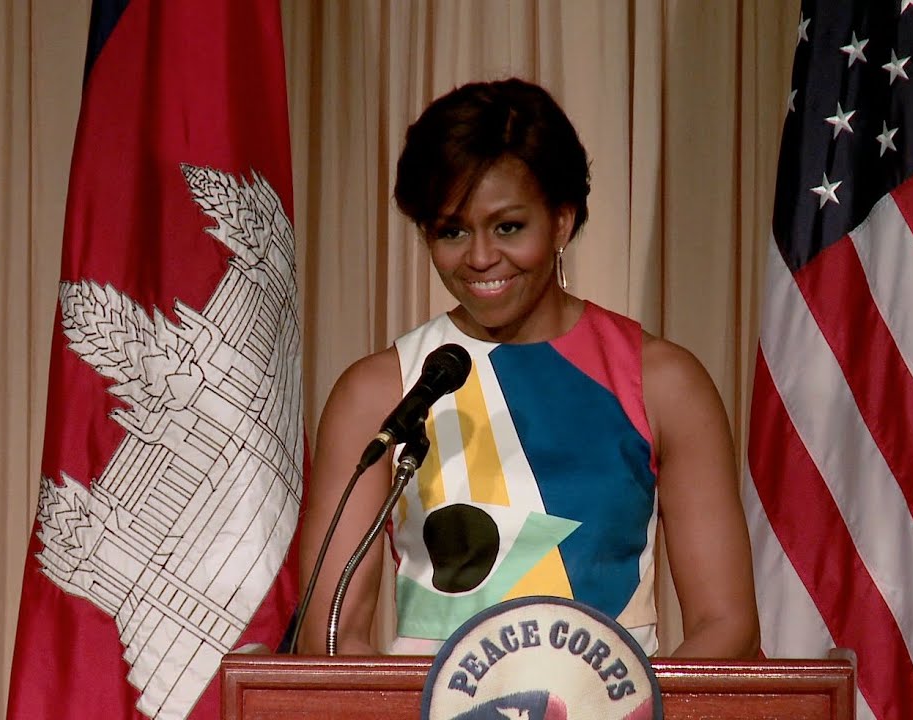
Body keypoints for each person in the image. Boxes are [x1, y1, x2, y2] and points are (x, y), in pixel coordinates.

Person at [295, 77, 759, 659]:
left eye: (508, 226)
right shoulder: (378, 392)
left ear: (562, 221)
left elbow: (727, 629)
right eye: (452, 230)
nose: (481, 257)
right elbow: (331, 635)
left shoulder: (664, 383)